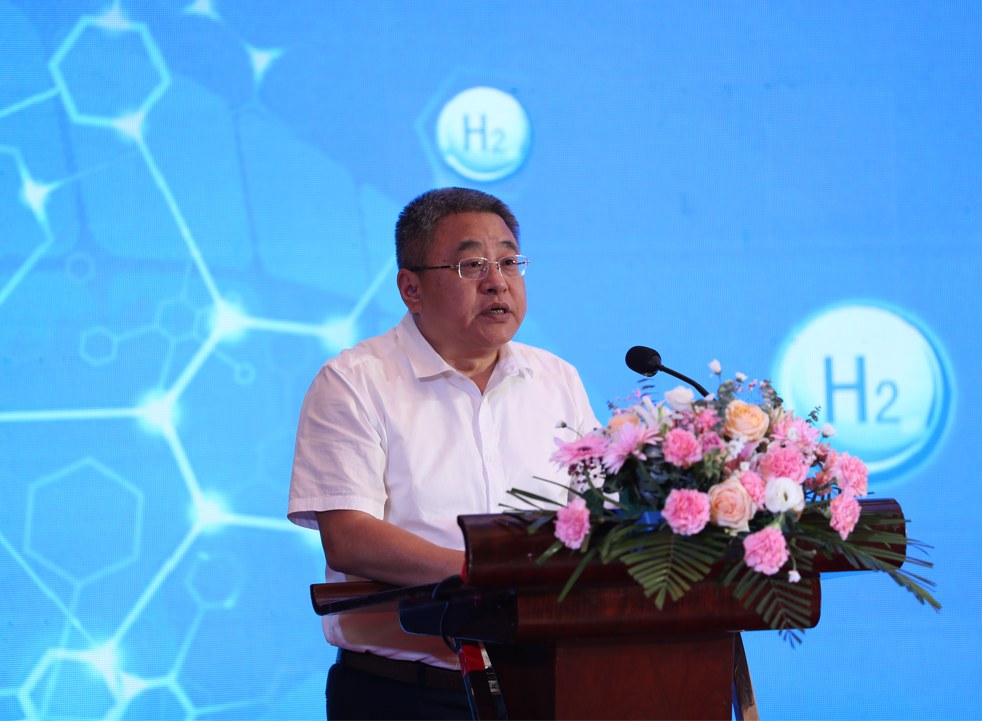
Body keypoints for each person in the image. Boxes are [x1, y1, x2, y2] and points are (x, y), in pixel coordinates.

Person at [287, 187, 599, 720]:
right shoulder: (355, 382)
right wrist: (491, 579)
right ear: (411, 288)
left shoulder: (556, 379)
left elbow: (597, 519)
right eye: (471, 265)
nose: (497, 281)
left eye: (509, 262)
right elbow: (348, 538)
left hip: (545, 688)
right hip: (407, 696)